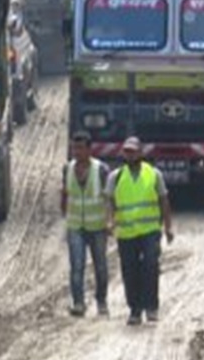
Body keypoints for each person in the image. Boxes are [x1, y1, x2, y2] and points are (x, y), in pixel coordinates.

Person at [107, 135, 173, 326]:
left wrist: (168, 227)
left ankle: (151, 307)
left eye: (133, 151)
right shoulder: (115, 177)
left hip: (150, 230)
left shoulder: (154, 174)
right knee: (130, 270)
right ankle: (135, 309)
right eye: (126, 151)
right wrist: (110, 222)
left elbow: (164, 201)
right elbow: (110, 202)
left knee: (151, 266)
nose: (129, 155)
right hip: (127, 233)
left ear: (141, 152)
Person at [61, 131, 110, 317]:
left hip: (97, 226)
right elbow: (65, 193)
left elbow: (109, 198)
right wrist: (64, 215)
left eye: (81, 148)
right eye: (74, 148)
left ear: (90, 150)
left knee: (100, 266)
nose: (77, 152)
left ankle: (102, 301)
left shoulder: (101, 170)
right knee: (77, 266)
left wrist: (110, 221)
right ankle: (79, 302)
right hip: (75, 226)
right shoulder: (67, 169)